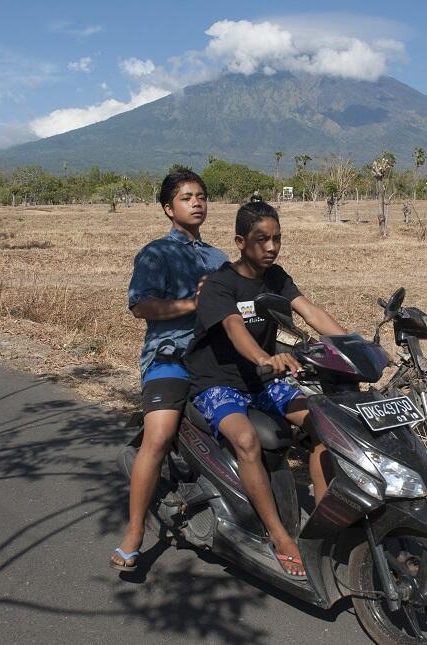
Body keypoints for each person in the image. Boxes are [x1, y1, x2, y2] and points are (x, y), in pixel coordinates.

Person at [184, 199, 347, 578]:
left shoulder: (275, 278)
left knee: (327, 425)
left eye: (276, 238)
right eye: (261, 239)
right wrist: (263, 358)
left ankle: (324, 526)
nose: (271, 247)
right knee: (245, 440)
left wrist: (357, 345)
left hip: (261, 379)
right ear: (241, 241)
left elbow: (312, 312)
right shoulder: (220, 285)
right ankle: (279, 535)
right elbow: (234, 328)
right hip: (218, 382)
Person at [111, 169, 228, 571]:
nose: (197, 202)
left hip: (217, 359)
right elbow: (141, 306)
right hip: (170, 357)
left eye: (202, 196)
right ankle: (135, 532)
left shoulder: (220, 259)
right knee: (158, 436)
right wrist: (192, 306)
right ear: (167, 208)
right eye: (186, 197)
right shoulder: (156, 254)